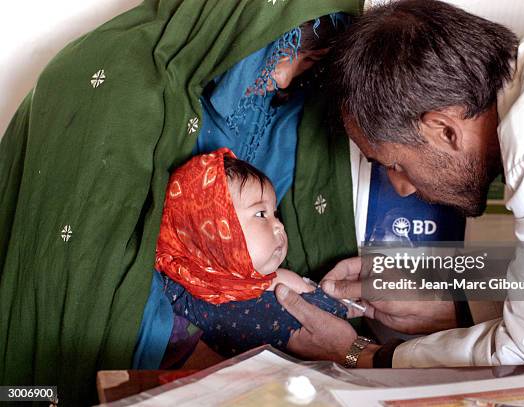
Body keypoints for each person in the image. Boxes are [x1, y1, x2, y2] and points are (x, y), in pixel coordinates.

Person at [0, 1, 362, 404]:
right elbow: (87, 263)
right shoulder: (117, 87)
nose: (282, 77)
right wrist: (208, 342)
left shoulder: (272, 109)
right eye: (281, 50)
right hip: (150, 337)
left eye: (309, 61)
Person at [274, 0, 524, 369]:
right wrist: (456, 291)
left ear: (444, 130)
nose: (401, 187)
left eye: (395, 164)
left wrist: (360, 354)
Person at [153, 148, 346, 357]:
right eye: (261, 214)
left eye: (276, 214)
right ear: (213, 233)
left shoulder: (280, 284)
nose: (279, 226)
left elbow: (335, 323)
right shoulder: (175, 296)